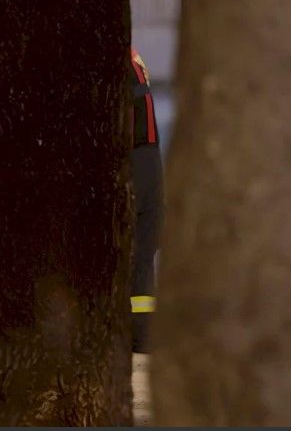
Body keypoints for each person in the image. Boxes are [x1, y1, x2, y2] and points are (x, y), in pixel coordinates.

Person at [128, 48, 164, 354]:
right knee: (141, 259)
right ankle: (142, 336)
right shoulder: (134, 60)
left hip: (133, 162)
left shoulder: (113, 60)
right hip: (150, 164)